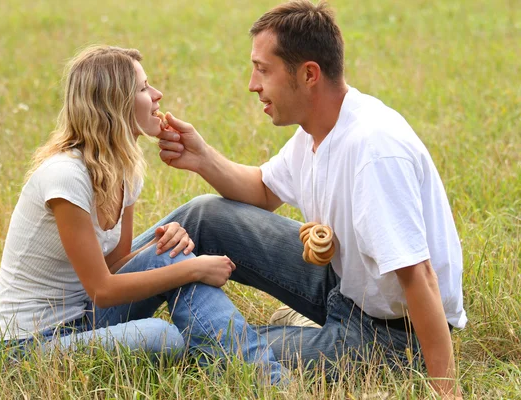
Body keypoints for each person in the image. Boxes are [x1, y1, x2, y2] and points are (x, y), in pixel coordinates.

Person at [153, 1, 465, 397]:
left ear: (309, 74)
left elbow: (418, 276)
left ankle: (131, 335)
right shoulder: (317, 130)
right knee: (203, 216)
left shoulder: (373, 149)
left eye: (263, 70)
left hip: (394, 337)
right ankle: (102, 303)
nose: (252, 84)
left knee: (212, 351)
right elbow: (264, 191)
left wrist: (446, 391)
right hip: (343, 286)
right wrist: (202, 158)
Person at [0, 45, 286, 384]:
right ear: (114, 103)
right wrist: (192, 268)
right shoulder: (65, 176)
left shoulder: (125, 171)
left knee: (169, 253)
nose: (158, 95)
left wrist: (163, 246)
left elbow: (116, 266)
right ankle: (258, 375)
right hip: (33, 350)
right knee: (163, 336)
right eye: (144, 88)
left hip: (87, 319)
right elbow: (103, 289)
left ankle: (265, 379)